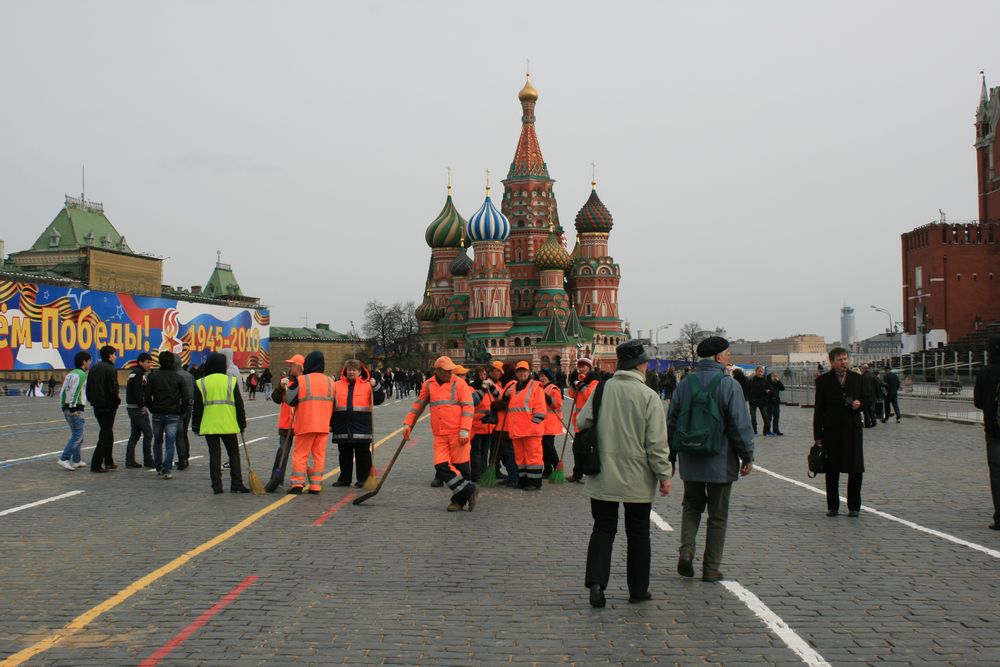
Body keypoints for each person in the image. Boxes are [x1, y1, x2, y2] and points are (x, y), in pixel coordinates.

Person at [580, 340, 671, 607]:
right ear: (639, 365)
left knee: (603, 529)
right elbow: (656, 443)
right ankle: (638, 589)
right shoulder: (649, 396)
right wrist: (664, 475)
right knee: (639, 533)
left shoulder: (601, 390)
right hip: (638, 477)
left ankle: (597, 584)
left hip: (602, 473)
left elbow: (582, 422)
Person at [668, 336, 754, 583]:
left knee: (691, 507)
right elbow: (739, 425)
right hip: (720, 458)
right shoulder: (729, 385)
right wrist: (747, 456)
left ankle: (686, 551)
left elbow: (672, 421)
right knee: (717, 515)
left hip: (690, 457)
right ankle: (710, 567)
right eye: (728, 354)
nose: (730, 358)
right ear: (718, 358)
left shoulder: (685, 383)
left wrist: (670, 457)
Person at [403, 356, 478, 512]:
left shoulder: (460, 384)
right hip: (440, 433)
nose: (450, 373)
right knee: (441, 466)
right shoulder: (428, 384)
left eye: (451, 370)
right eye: (446, 371)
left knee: (461, 467)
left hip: (458, 432)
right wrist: (408, 423)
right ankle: (470, 490)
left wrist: (465, 428)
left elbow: (468, 407)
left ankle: (458, 501)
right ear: (437, 370)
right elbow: (418, 405)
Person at [814, 347, 867, 517]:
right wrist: (818, 437)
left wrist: (860, 404)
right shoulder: (823, 381)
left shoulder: (858, 379)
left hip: (853, 430)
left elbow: (869, 399)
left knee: (856, 469)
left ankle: (854, 506)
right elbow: (819, 410)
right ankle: (833, 506)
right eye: (840, 359)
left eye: (845, 359)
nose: (844, 362)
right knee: (832, 469)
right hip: (831, 431)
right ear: (832, 362)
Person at [192, 352, 250, 494]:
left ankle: (217, 486)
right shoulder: (230, 381)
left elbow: (197, 407)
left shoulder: (201, 382)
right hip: (228, 424)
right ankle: (236, 483)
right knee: (234, 454)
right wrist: (242, 423)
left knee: (214, 455)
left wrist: (195, 425)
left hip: (209, 424)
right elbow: (238, 405)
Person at [284, 351, 335, 494]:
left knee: (300, 455)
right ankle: (316, 486)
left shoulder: (302, 380)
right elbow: (335, 403)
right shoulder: (330, 382)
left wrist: (288, 387)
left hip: (305, 424)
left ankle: (297, 485)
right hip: (323, 425)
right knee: (319, 456)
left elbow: (289, 399)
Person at [331, 360, 386, 488]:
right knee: (344, 454)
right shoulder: (337, 385)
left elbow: (379, 399)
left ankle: (364, 479)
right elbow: (330, 404)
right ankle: (344, 479)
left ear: (360, 372)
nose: (351, 372)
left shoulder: (367, 385)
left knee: (363, 454)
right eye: (349, 369)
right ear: (345, 371)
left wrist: (376, 386)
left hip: (361, 425)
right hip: (342, 424)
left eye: (354, 370)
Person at [493, 361, 546, 490]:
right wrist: (506, 396)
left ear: (529, 372)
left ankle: (534, 482)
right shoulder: (513, 387)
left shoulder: (535, 386)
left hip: (531, 431)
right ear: (516, 373)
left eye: (524, 371)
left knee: (533, 458)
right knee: (520, 459)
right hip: (516, 430)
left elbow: (540, 410)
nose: (522, 373)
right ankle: (523, 480)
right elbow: (506, 407)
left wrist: (533, 425)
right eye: (519, 371)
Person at [145, 351, 191, 480]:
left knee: (157, 441)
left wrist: (151, 407)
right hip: (173, 413)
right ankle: (167, 469)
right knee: (170, 442)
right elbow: (186, 397)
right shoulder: (178, 378)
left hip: (158, 412)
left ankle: (158, 466)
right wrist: (181, 410)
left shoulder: (153, 377)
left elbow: (147, 396)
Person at [973, 335, 1000, 530]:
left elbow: (978, 402)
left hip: (994, 430)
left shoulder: (985, 372)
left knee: (997, 473)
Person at [268, 355, 302, 489]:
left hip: (300, 424)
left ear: (299, 367)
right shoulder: (286, 381)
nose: (289, 368)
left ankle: (305, 479)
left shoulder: (304, 382)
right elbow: (276, 399)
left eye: (291, 365)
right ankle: (276, 479)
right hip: (286, 424)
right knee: (282, 451)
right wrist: (281, 387)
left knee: (301, 454)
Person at [86, 345, 121, 472]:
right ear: (110, 355)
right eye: (114, 354)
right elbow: (113, 389)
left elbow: (88, 388)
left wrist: (92, 400)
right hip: (108, 406)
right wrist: (116, 401)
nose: (115, 357)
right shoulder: (110, 369)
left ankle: (109, 461)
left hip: (97, 405)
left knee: (107, 432)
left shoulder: (94, 368)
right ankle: (96, 464)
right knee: (105, 434)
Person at [567, 357, 600, 483]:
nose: (581, 369)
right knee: (577, 449)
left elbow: (589, 395)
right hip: (579, 422)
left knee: (587, 449)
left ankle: (590, 472)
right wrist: (574, 383)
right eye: (579, 366)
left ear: (590, 368)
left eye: (584, 366)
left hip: (589, 421)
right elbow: (571, 395)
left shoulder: (594, 380)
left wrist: (581, 385)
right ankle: (577, 474)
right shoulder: (580, 379)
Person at [58, 351, 92, 470]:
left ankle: (76, 460)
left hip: (67, 407)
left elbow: (63, 391)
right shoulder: (82, 374)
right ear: (84, 362)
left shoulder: (70, 374)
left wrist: (63, 406)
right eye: (89, 361)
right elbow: (74, 392)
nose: (90, 363)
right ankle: (64, 458)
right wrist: (73, 408)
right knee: (77, 435)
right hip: (75, 409)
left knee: (78, 435)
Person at [124, 352, 154, 468]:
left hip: (132, 408)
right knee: (148, 433)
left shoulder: (133, 373)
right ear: (140, 362)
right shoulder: (138, 374)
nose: (149, 365)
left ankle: (130, 460)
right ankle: (148, 459)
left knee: (135, 434)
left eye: (150, 362)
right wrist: (142, 406)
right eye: (147, 362)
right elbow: (138, 393)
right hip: (137, 409)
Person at [469, 365, 496, 482]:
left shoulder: (490, 388)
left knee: (485, 451)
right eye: (480, 374)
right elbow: (473, 401)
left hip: (488, 426)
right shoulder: (472, 387)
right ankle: (476, 474)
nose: (483, 376)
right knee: (476, 451)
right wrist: (483, 389)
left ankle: (484, 472)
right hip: (477, 425)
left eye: (484, 374)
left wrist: (493, 387)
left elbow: (498, 398)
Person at [539, 368, 563, 478]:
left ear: (549, 377)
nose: (541, 378)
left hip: (550, 423)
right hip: (542, 423)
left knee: (549, 447)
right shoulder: (541, 388)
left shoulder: (553, 388)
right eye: (540, 376)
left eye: (544, 376)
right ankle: (547, 469)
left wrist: (547, 397)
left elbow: (557, 404)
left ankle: (557, 467)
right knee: (544, 447)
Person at [175, 362, 196, 470]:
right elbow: (195, 389)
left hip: (178, 406)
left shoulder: (174, 375)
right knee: (184, 432)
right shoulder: (189, 375)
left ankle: (182, 458)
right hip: (189, 405)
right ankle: (186, 457)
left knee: (179, 434)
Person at [748, 366, 771, 436]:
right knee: (753, 417)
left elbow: (769, 389)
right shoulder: (751, 380)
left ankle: (767, 431)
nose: (761, 373)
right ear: (756, 372)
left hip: (763, 401)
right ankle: (754, 431)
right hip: (753, 401)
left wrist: (767, 393)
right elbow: (748, 389)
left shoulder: (766, 380)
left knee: (765, 417)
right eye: (759, 371)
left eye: (762, 371)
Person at [767, 372, 785, 436]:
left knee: (776, 417)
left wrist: (778, 381)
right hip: (769, 402)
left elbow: (782, 388)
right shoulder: (768, 383)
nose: (775, 377)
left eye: (776, 376)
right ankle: (767, 431)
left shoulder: (776, 383)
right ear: (770, 377)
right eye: (774, 376)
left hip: (776, 402)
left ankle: (776, 430)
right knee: (769, 417)